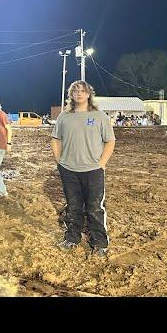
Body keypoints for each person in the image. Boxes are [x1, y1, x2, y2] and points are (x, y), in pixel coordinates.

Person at [51, 80, 116, 258]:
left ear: (89, 94)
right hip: (69, 170)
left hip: (93, 171)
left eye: (82, 91)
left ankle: (99, 243)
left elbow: (110, 141)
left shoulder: (99, 116)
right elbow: (55, 139)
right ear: (71, 95)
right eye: (75, 91)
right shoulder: (64, 117)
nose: (79, 94)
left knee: (95, 207)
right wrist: (60, 162)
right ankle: (72, 238)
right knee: (73, 206)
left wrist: (101, 163)